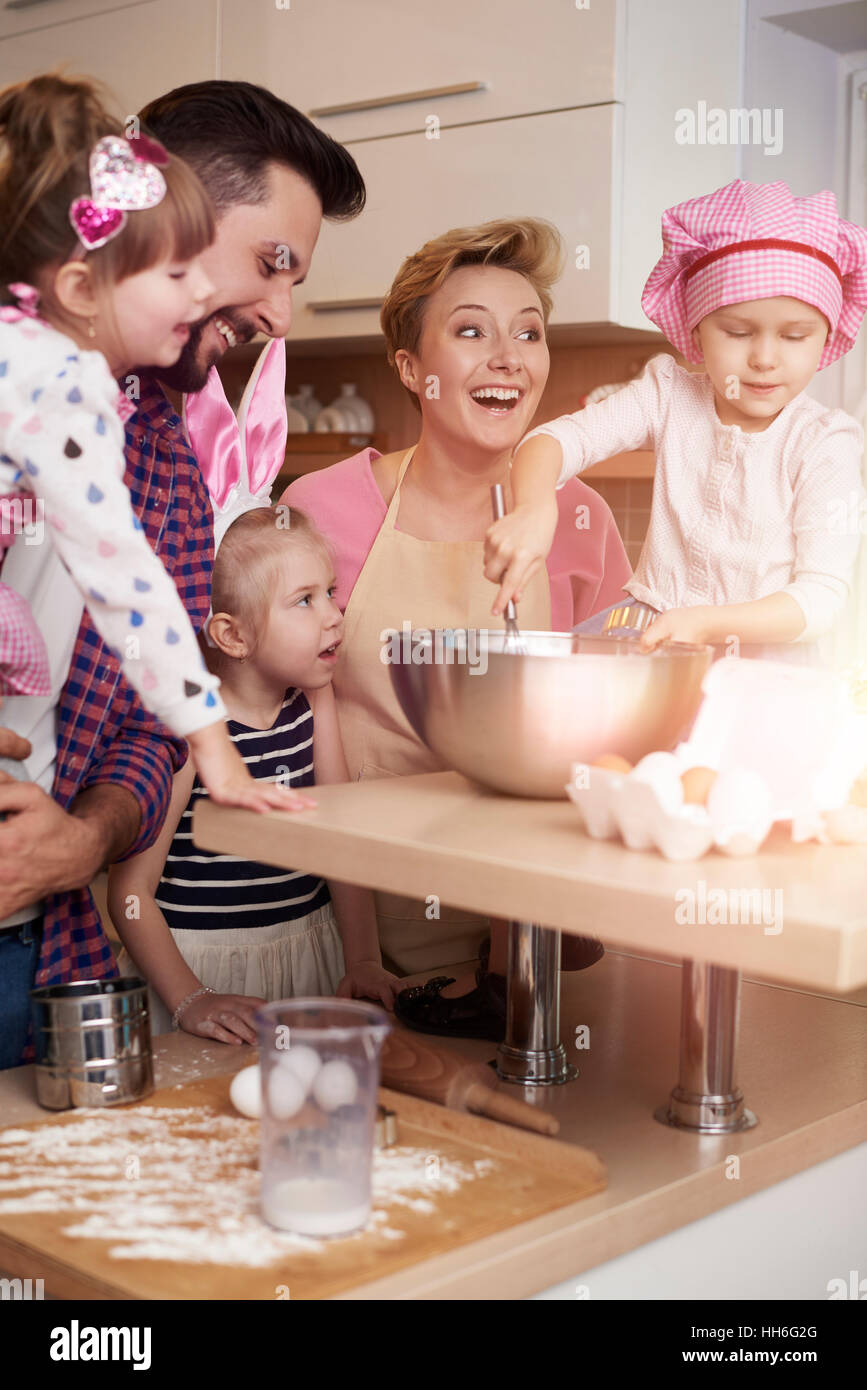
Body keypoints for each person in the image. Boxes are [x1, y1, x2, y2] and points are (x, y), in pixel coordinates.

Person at [0, 76, 365, 1067]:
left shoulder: (160, 453)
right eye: (270, 262)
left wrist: (83, 840)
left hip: (42, 952)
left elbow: (145, 722)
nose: (280, 312)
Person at [283, 217, 631, 1039]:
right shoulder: (320, 508)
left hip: (524, 943)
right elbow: (266, 719)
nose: (507, 356)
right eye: (470, 331)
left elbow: (617, 731)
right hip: (339, 933)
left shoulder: (577, 518)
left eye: (528, 334)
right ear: (412, 367)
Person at [0, 74, 312, 815]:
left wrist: (201, 750)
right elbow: (125, 577)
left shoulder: (162, 461)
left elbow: (128, 593)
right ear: (81, 289)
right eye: (177, 270)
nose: (198, 293)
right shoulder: (58, 382)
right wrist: (218, 753)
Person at [485, 180, 867, 662]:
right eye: (738, 331)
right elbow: (556, 440)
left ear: (826, 336)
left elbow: (820, 599)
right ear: (696, 328)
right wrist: (534, 510)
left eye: (795, 336)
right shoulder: (668, 395)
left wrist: (704, 623)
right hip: (652, 637)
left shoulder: (824, 444)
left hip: (765, 668)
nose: (765, 359)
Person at [109, 505, 398, 1042]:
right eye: (305, 601)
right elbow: (130, 892)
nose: (334, 615)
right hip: (199, 972)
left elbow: (338, 839)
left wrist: (360, 959)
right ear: (233, 636)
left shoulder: (314, 700)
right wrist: (193, 999)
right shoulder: (193, 726)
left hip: (309, 958)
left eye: (331, 592)